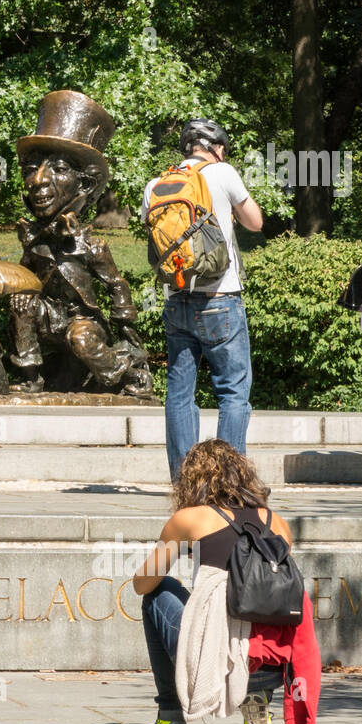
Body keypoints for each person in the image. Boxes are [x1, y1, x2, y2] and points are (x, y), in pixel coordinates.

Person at [132, 440, 298, 724]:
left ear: (192, 481)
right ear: (243, 475)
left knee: (159, 591)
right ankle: (258, 704)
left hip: (214, 656)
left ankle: (170, 717)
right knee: (257, 615)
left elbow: (142, 582)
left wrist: (183, 546)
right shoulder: (276, 522)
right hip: (268, 660)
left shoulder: (190, 518)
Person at [142, 119, 263, 481]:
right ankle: (228, 480)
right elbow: (256, 222)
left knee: (180, 393)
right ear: (216, 147)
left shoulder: (156, 184)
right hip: (220, 297)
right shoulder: (223, 172)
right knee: (233, 391)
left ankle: (184, 482)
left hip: (176, 298)